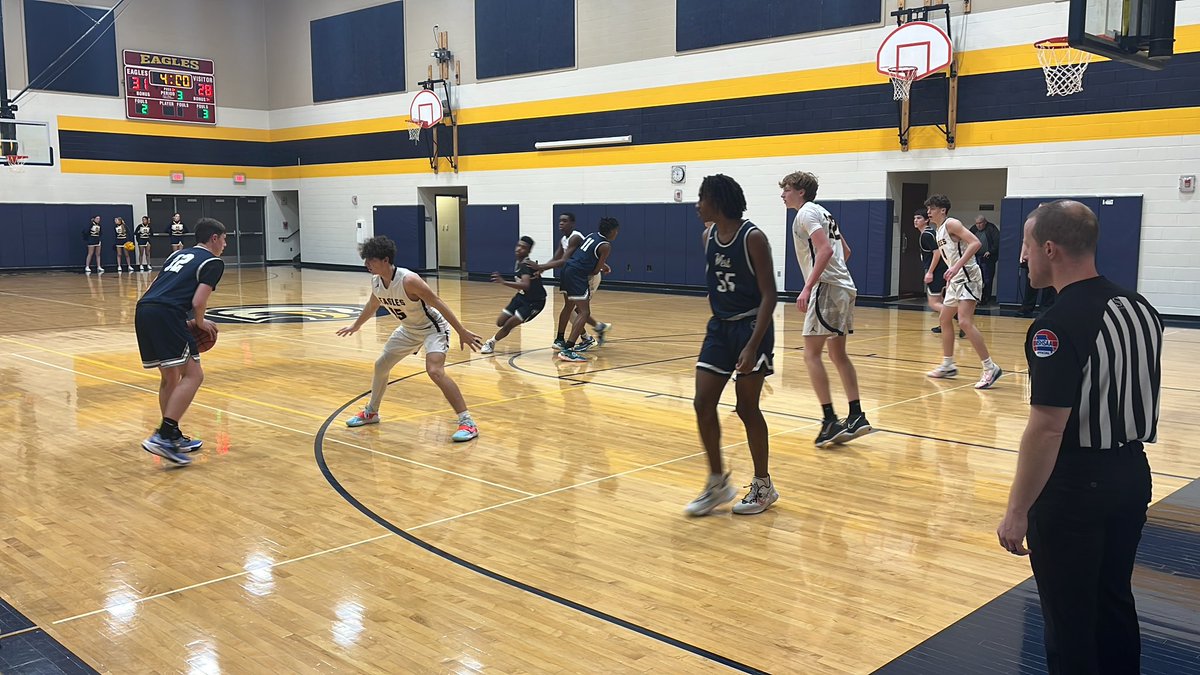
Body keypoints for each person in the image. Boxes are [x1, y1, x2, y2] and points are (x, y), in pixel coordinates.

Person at [997, 200, 1162, 674]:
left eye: (1027, 247)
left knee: (1068, 620)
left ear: (1050, 248)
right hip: (1132, 475)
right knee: (1113, 602)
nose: (1023, 257)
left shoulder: (1055, 325)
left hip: (1075, 488)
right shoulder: (1140, 308)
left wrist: (1017, 511)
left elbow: (1048, 427)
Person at [685, 174, 778, 516]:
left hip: (752, 327)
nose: (697, 204)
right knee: (702, 403)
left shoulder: (753, 238)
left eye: (701, 198)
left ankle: (764, 486)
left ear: (718, 201)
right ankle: (717, 482)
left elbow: (770, 294)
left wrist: (753, 346)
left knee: (746, 408)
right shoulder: (708, 235)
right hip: (720, 328)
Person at [337, 235, 483, 442]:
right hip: (408, 329)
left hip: (433, 328)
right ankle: (371, 412)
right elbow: (372, 305)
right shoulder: (376, 282)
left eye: (371, 260)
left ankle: (467, 422)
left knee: (435, 371)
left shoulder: (409, 280)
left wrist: (461, 331)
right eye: (366, 259)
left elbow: (438, 303)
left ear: (385, 260)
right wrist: (356, 325)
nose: (366, 264)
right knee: (381, 366)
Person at [782, 171, 874, 447]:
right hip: (844, 287)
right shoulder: (824, 212)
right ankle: (856, 415)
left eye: (786, 189)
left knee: (811, 354)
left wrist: (809, 286)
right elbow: (846, 250)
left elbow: (826, 251)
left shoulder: (806, 214)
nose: (782, 194)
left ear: (800, 191)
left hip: (828, 288)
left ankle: (829, 420)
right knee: (837, 354)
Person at [135, 217, 228, 466]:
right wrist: (199, 322)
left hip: (145, 310)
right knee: (194, 375)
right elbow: (198, 302)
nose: (225, 244)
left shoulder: (176, 255)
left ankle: (172, 434)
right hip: (167, 314)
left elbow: (162, 285)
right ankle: (164, 435)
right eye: (224, 239)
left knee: (170, 376)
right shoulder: (213, 262)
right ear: (214, 238)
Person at [923, 194, 1003, 389]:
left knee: (965, 322)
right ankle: (948, 364)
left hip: (969, 276)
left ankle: (990, 367)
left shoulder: (952, 223)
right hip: (956, 279)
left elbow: (975, 243)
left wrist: (957, 266)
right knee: (944, 319)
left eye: (932, 209)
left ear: (942, 210)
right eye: (928, 209)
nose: (928, 212)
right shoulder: (939, 230)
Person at [539, 217, 620, 363]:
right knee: (584, 312)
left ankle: (561, 339)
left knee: (570, 308)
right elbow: (595, 271)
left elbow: (585, 255)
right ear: (612, 231)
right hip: (577, 275)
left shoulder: (591, 235)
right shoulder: (606, 245)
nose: (617, 234)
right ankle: (568, 350)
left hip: (567, 270)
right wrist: (599, 268)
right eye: (616, 231)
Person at [481, 235, 547, 354]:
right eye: (518, 245)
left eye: (523, 247)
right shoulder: (519, 261)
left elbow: (526, 285)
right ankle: (510, 325)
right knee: (500, 322)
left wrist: (503, 282)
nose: (518, 249)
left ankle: (491, 342)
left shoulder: (525, 265)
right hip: (521, 297)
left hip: (534, 302)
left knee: (507, 325)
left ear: (528, 251)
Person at [917, 209, 963, 337]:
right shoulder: (934, 232)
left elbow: (936, 253)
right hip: (944, 268)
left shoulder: (926, 235)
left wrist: (930, 272)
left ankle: (961, 317)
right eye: (915, 218)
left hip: (937, 270)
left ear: (926, 220)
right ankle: (944, 324)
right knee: (943, 300)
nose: (915, 221)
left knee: (933, 302)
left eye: (919, 218)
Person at [970, 215, 1001, 304]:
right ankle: (976, 297)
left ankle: (986, 298)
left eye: (980, 223)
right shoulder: (973, 229)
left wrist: (990, 251)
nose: (978, 225)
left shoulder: (991, 228)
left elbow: (997, 241)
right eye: (977, 223)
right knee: (976, 278)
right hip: (975, 257)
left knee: (987, 279)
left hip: (987, 258)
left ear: (985, 222)